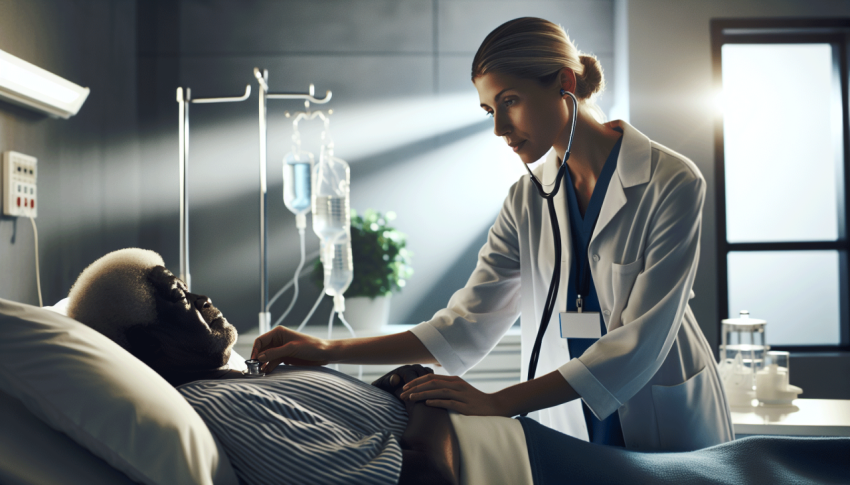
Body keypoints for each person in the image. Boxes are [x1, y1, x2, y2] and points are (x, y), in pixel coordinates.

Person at [252, 17, 733, 451]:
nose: (501, 128)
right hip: (569, 417)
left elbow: (639, 344)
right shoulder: (527, 199)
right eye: (489, 110)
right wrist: (327, 351)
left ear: (564, 83)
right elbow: (465, 324)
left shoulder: (671, 180)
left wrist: (498, 402)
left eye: (510, 101)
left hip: (661, 412)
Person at [66, 248, 459, 485]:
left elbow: (356, 426)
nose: (202, 298)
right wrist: (423, 390)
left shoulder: (244, 379)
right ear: (151, 343)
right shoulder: (224, 408)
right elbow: (426, 478)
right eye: (180, 298)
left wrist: (399, 382)